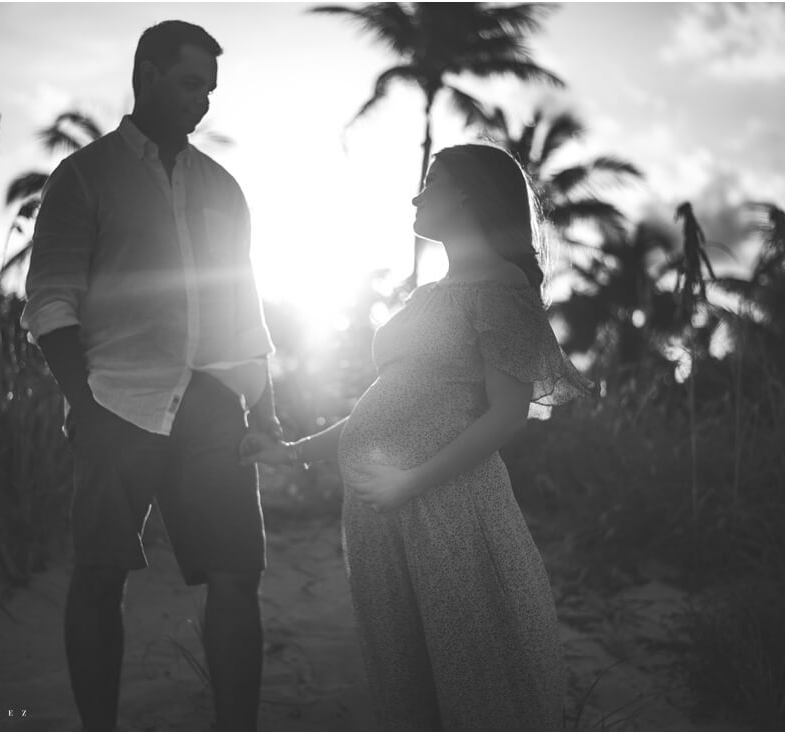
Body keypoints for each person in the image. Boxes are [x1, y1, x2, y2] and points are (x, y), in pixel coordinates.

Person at [242, 143, 593, 730]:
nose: (416, 194)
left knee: (473, 674)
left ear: (465, 194)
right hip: (382, 511)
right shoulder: (431, 292)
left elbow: (507, 415)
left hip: (447, 507)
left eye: (431, 182)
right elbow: (387, 407)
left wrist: (410, 483)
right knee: (405, 674)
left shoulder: (500, 287)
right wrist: (295, 453)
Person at [21, 20, 280, 731]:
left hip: (214, 405)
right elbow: (51, 300)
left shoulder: (223, 188)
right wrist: (85, 406)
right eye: (191, 84)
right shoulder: (84, 176)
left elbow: (244, 308)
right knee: (100, 576)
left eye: (210, 90)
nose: (203, 103)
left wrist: (269, 411)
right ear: (146, 74)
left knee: (236, 575)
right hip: (116, 403)